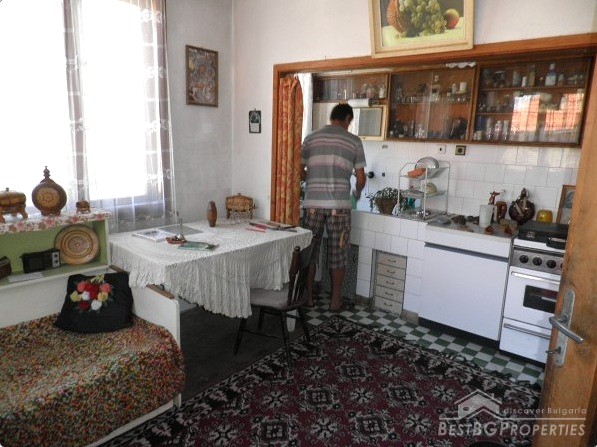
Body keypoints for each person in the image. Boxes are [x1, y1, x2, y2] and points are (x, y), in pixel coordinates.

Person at [301, 103, 366, 311]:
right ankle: (335, 301)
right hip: (339, 206)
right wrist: (357, 193)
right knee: (338, 253)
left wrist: (312, 180)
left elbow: (299, 170)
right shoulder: (354, 141)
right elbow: (361, 179)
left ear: (332, 118)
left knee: (309, 252)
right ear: (347, 119)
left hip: (312, 204)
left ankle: (309, 297)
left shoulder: (310, 138)